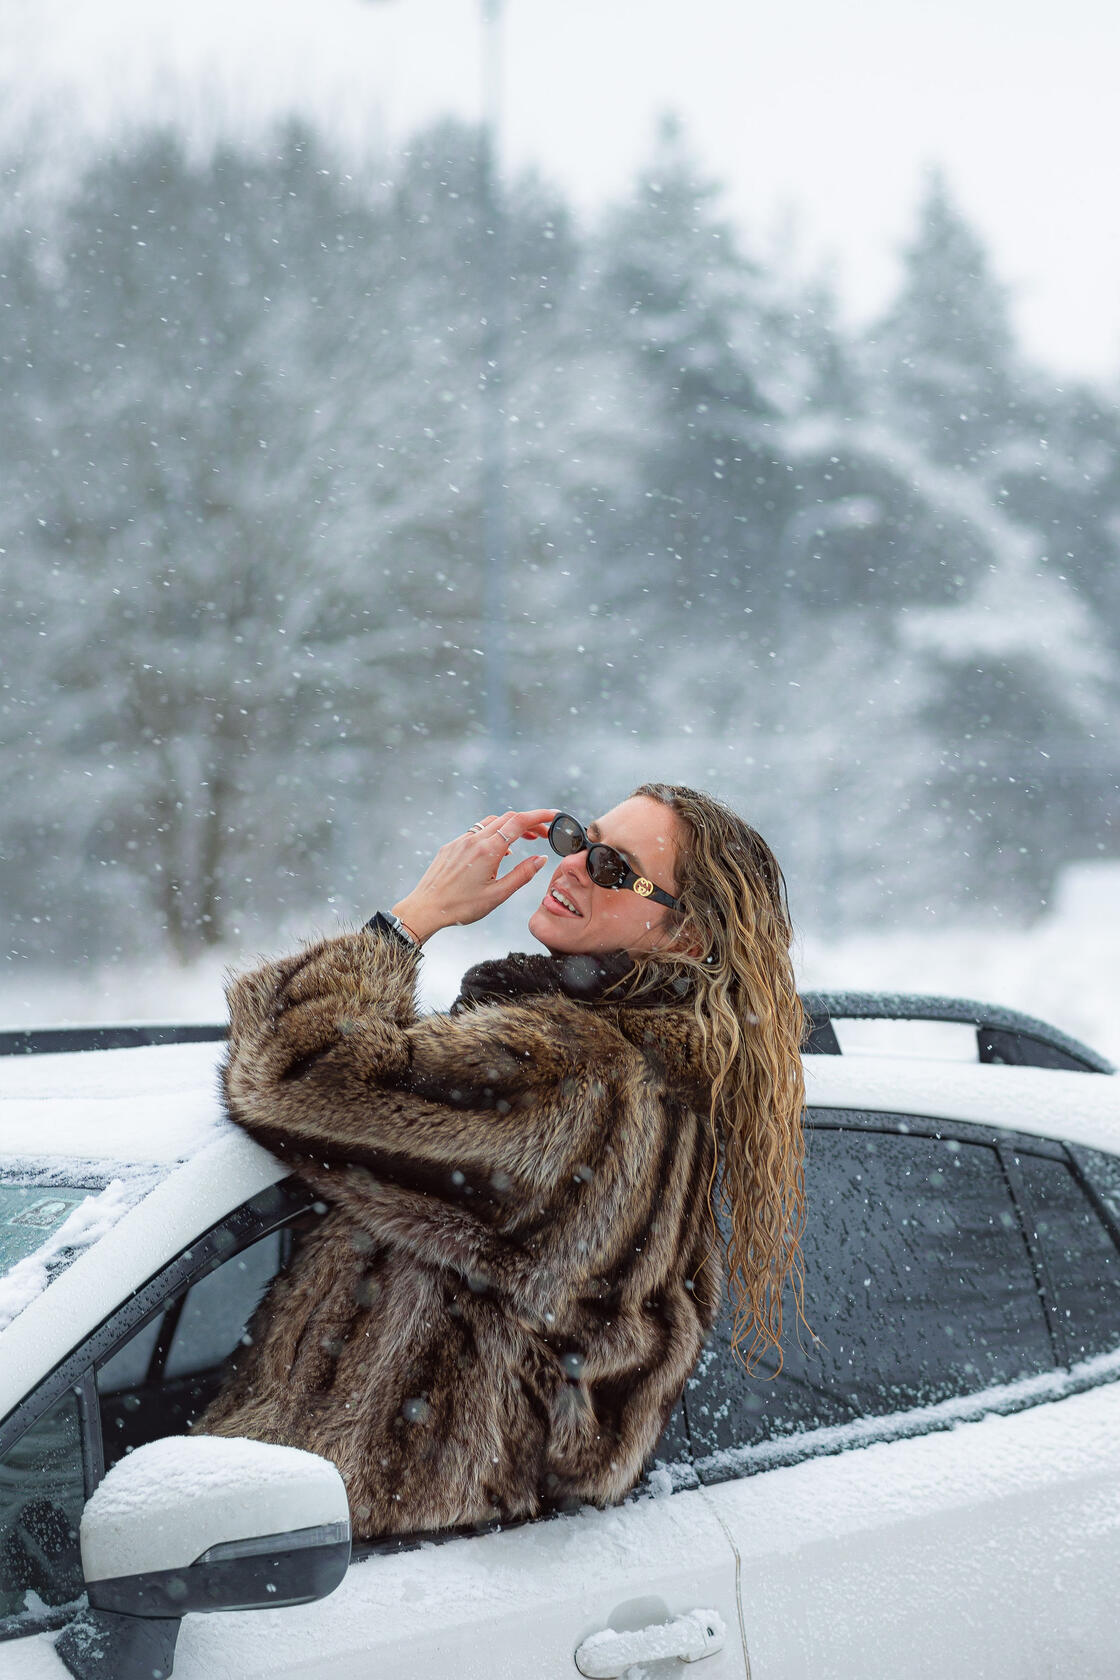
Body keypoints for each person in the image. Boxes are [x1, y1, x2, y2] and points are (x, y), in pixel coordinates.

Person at [197, 783, 806, 1541]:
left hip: (368, 1551)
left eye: (615, 868)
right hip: (441, 1539)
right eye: (582, 837)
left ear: (682, 938)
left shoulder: (565, 1073)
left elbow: (293, 1073)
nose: (576, 865)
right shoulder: (660, 1081)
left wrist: (413, 919)